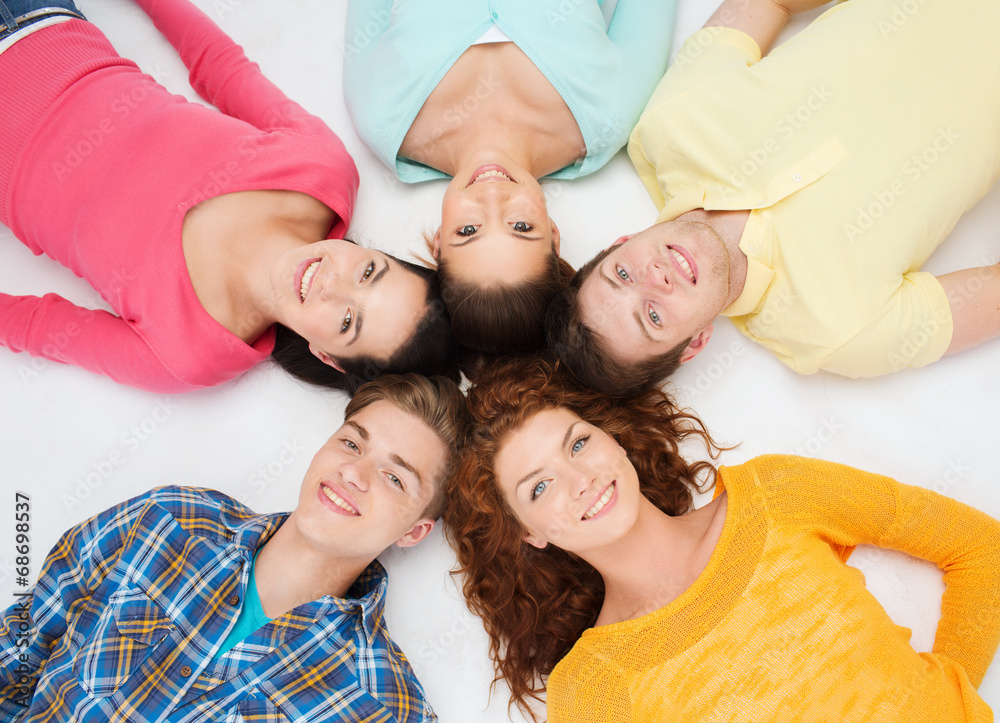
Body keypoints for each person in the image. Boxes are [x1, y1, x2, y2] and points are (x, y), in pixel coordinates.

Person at [446, 355, 1000, 721]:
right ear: (530, 534)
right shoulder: (594, 689)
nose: (580, 478)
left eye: (577, 444)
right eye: (539, 487)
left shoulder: (774, 492)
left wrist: (951, 696)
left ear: (611, 439)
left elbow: (980, 546)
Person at [0, 0, 457, 395]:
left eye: (346, 323)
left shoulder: (189, 355)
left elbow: (39, 326)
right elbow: (219, 67)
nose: (332, 284)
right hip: (40, 19)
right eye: (368, 272)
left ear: (329, 358)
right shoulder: (322, 171)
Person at [547, 0, 1000, 396]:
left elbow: (770, 3)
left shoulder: (668, 124)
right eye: (653, 317)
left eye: (622, 273)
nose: (656, 279)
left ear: (622, 240)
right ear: (697, 343)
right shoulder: (840, 333)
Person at [0, 373, 469, 721]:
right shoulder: (170, 519)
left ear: (414, 532)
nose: (353, 473)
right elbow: (20, 643)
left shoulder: (384, 706)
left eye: (393, 477)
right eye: (351, 443)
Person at [343, 0, 677, 355]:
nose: (492, 197)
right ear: (553, 234)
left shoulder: (381, 118)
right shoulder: (609, 118)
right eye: (521, 226)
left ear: (438, 242)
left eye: (468, 231)